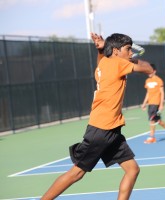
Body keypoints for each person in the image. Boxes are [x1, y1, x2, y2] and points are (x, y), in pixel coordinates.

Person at [41, 33, 153, 200]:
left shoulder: (103, 64)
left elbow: (103, 59)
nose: (130, 53)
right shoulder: (117, 63)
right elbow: (148, 68)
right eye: (128, 49)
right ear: (115, 51)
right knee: (76, 173)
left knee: (132, 169)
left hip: (112, 130)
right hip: (101, 129)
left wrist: (101, 49)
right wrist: (136, 61)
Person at [141, 64, 165, 144]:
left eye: (150, 71)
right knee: (158, 120)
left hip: (156, 104)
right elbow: (148, 93)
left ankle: (152, 137)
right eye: (147, 71)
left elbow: (162, 93)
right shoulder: (147, 81)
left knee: (152, 120)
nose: (148, 73)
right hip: (150, 104)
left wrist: (161, 104)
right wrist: (144, 103)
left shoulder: (158, 80)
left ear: (154, 71)